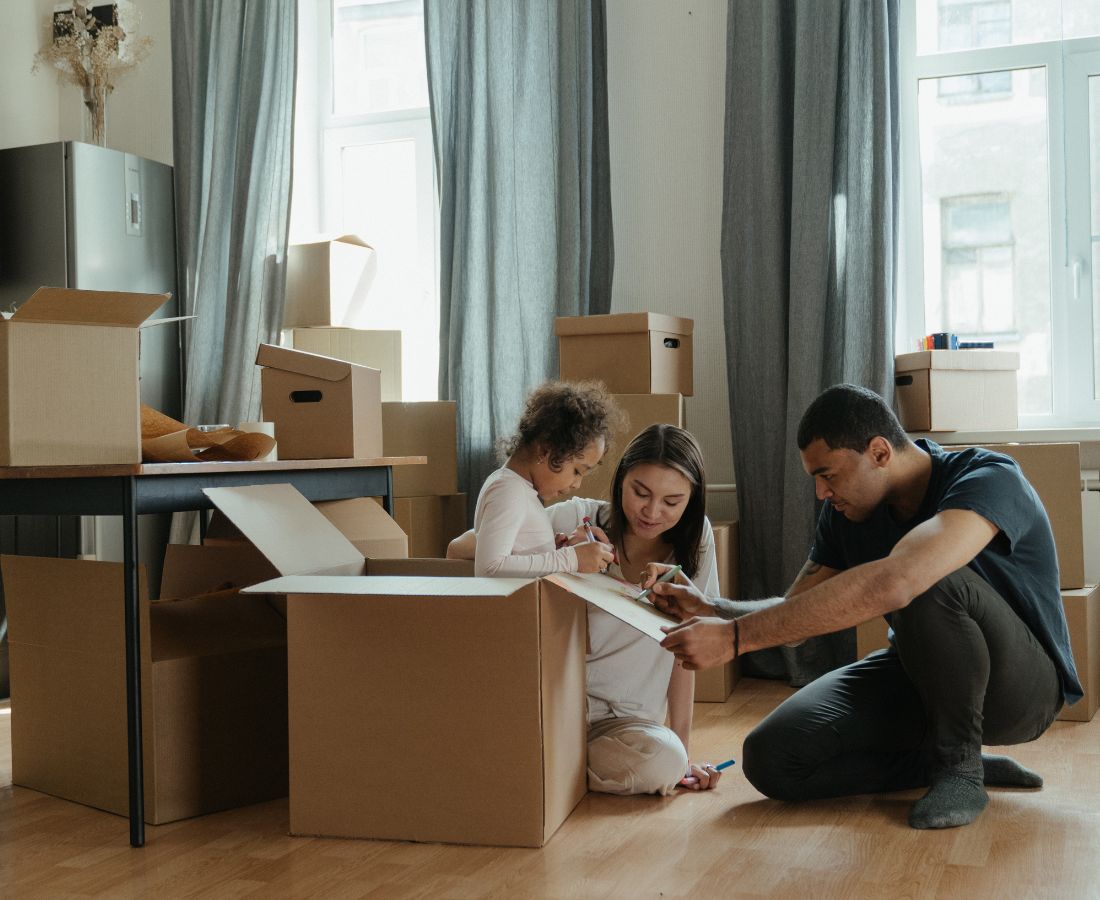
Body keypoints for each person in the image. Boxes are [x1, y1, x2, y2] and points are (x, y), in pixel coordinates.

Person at [646, 384, 1080, 829]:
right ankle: (936, 761)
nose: (819, 492)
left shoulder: (988, 477)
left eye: (828, 475)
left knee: (926, 578)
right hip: (919, 676)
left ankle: (960, 769)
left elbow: (902, 579)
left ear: (878, 452)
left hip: (1022, 691)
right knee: (771, 758)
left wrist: (735, 640)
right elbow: (796, 614)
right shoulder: (846, 514)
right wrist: (713, 610)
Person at [452, 423, 727, 795]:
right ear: (620, 481)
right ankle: (548, 764)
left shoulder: (698, 544)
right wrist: (561, 553)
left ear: (691, 501)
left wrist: (683, 751)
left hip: (626, 725)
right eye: (640, 492)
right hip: (554, 707)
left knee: (666, 761)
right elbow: (461, 549)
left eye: (672, 502)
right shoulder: (577, 518)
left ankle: (545, 767)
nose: (651, 511)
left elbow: (686, 650)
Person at [472, 380, 618, 577]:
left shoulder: (520, 490)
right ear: (545, 450)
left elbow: (518, 559)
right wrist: (571, 558)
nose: (577, 484)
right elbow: (489, 568)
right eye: (577, 471)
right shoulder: (508, 490)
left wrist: (552, 551)